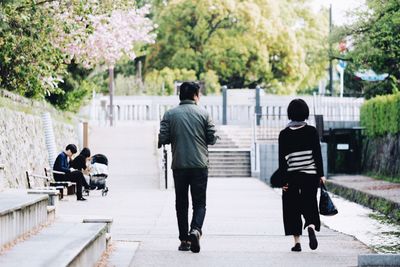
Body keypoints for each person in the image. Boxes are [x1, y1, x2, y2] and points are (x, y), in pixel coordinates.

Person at [158, 82, 218, 253]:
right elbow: (212, 137)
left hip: (179, 164)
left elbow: (163, 137)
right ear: (195, 96)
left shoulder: (170, 114)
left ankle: (184, 240)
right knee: (199, 203)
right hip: (199, 165)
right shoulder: (204, 113)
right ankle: (196, 230)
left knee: (181, 203)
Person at [278, 99, 326, 252]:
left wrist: (283, 181)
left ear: (290, 114)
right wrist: (321, 175)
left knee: (291, 208)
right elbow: (317, 155)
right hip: (310, 176)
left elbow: (282, 161)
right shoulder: (312, 131)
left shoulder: (284, 134)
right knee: (309, 202)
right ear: (305, 113)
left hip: (292, 177)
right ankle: (311, 226)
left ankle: (297, 242)